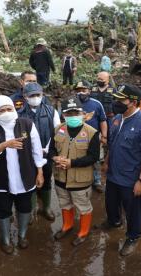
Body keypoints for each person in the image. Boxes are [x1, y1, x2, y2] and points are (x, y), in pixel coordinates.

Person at [0, 95, 45, 253]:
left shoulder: (27, 124)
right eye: (1, 110)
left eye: (9, 108)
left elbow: (37, 149)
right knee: (3, 209)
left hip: (26, 176)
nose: (6, 112)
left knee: (24, 207)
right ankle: (6, 240)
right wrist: (5, 144)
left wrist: (40, 171)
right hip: (1, 179)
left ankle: (22, 236)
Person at [100, 84, 141, 256]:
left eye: (120, 99)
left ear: (133, 102)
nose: (116, 102)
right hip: (113, 173)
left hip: (131, 177)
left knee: (133, 210)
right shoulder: (117, 118)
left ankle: (133, 236)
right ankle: (114, 221)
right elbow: (113, 143)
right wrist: (107, 161)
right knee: (110, 202)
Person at [50, 97, 99, 246]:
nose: (72, 116)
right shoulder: (58, 129)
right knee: (64, 203)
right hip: (60, 177)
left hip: (80, 179)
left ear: (83, 113)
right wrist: (54, 157)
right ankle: (67, 226)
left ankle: (83, 232)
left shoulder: (91, 132)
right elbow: (51, 149)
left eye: (76, 112)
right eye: (69, 114)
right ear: (63, 115)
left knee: (83, 206)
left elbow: (93, 157)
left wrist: (72, 163)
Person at [17, 83, 61, 221]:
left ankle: (46, 207)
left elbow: (58, 131)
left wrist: (48, 148)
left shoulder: (51, 111)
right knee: (30, 181)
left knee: (47, 180)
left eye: (38, 95)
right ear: (25, 97)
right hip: (27, 155)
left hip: (46, 153)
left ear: (42, 95)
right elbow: (18, 134)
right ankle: (31, 209)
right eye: (32, 95)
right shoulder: (19, 114)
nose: (35, 98)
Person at [74, 81, 107, 192]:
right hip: (75, 137)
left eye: (84, 90)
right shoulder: (71, 103)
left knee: (96, 159)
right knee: (77, 157)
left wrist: (104, 136)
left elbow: (103, 121)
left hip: (94, 137)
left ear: (89, 91)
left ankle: (96, 181)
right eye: (78, 91)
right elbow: (63, 120)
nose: (81, 93)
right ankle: (79, 180)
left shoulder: (96, 104)